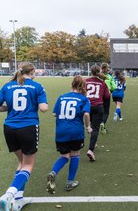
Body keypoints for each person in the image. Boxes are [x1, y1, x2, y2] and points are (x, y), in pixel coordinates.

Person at [0, 62, 48, 211]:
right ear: (32, 71)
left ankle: (18, 200)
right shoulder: (37, 86)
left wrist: (10, 107)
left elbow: (1, 106)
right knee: (28, 164)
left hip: (9, 128)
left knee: (21, 162)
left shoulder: (7, 86)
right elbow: (44, 108)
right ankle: (9, 195)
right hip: (28, 127)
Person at [46, 76, 92, 195]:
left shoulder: (61, 97)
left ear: (72, 84)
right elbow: (86, 114)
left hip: (61, 131)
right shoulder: (83, 99)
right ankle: (70, 182)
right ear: (83, 86)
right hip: (75, 131)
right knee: (75, 155)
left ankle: (53, 172)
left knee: (65, 156)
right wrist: (88, 126)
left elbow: (54, 114)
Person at [85, 65, 110, 162]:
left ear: (91, 72)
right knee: (95, 128)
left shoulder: (85, 81)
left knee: (90, 125)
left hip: (87, 106)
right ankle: (91, 149)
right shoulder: (102, 83)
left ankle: (93, 141)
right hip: (98, 107)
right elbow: (107, 96)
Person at [100, 63, 116, 134]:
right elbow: (114, 87)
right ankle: (103, 123)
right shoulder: (109, 77)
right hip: (107, 95)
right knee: (106, 111)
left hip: (99, 95)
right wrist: (111, 91)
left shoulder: (98, 76)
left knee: (99, 110)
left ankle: (96, 125)